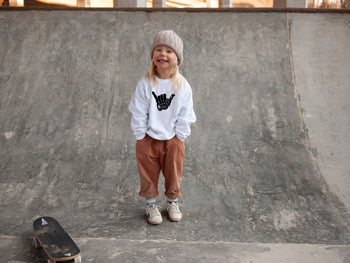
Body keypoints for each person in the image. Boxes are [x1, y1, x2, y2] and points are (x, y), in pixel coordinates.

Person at [129, 30, 196, 225]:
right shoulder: (145, 83)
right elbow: (138, 110)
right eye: (158, 49)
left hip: (173, 139)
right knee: (148, 171)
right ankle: (151, 205)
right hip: (148, 137)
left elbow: (186, 113)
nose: (163, 54)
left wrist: (180, 136)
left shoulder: (182, 86)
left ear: (177, 59)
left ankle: (172, 202)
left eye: (169, 51)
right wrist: (140, 136)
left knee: (173, 171)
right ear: (153, 56)